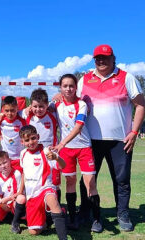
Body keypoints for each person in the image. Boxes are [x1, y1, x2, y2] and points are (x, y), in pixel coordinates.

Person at [76, 45, 145, 231]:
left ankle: (122, 213)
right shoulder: (85, 79)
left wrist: (134, 131)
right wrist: (58, 96)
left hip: (120, 140)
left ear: (113, 58)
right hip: (91, 140)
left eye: (105, 57)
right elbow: (72, 99)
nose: (101, 61)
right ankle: (85, 212)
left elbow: (140, 105)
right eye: (97, 58)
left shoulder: (126, 77)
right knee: (88, 180)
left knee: (121, 180)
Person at [53, 74, 101, 232]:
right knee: (70, 183)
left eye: (71, 86)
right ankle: (72, 218)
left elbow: (78, 126)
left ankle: (96, 220)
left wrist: (62, 142)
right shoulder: (56, 105)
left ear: (76, 87)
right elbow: (38, 109)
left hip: (83, 148)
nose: (68, 89)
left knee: (90, 184)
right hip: (66, 151)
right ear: (60, 88)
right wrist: (26, 108)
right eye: (65, 86)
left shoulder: (81, 104)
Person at [18, 125, 67, 239]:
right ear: (22, 142)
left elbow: (63, 166)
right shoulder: (23, 154)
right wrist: (20, 191)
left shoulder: (46, 151)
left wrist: (56, 158)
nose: (31, 142)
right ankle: (55, 215)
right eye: (27, 140)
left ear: (38, 137)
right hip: (32, 195)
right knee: (34, 232)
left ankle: (63, 237)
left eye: (33, 138)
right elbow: (24, 173)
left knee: (52, 199)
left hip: (45, 188)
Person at [0, 96, 26, 168]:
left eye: (12, 110)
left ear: (17, 108)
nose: (10, 113)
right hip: (6, 158)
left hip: (20, 157)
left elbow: (31, 109)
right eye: (7, 111)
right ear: (3, 110)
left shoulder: (22, 119)